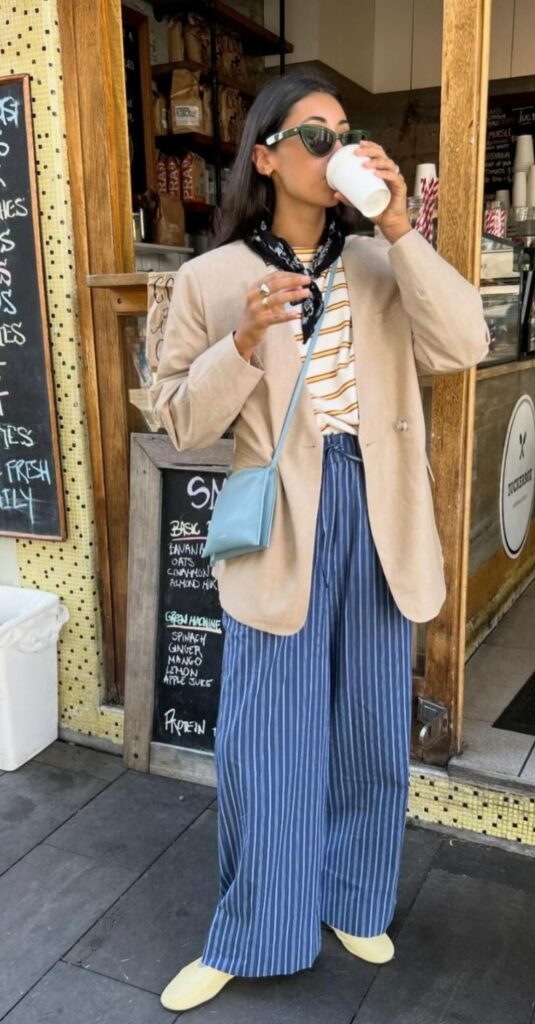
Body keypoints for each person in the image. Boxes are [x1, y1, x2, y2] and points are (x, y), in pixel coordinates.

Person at [152, 72, 489, 1013]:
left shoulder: (384, 263)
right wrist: (244, 344)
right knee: (266, 738)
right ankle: (256, 925)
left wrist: (398, 226)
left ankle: (353, 896)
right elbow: (178, 421)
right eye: (313, 133)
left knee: (371, 723)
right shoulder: (210, 280)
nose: (335, 146)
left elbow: (464, 344)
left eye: (346, 131)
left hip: (380, 512)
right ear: (266, 157)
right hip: (283, 524)